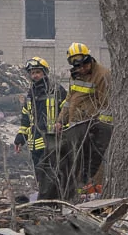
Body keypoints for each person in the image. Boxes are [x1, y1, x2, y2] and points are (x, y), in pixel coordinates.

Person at [43, 43, 113, 200]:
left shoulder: (102, 75)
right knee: (75, 162)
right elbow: (70, 100)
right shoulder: (76, 75)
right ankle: (77, 195)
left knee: (94, 163)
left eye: (84, 65)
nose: (82, 69)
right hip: (75, 127)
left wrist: (98, 129)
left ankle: (95, 197)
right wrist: (61, 120)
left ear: (89, 59)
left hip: (92, 128)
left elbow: (106, 106)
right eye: (78, 66)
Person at [11, 57, 65, 194]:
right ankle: (44, 197)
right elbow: (26, 119)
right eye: (32, 72)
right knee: (40, 176)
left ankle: (56, 199)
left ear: (44, 73)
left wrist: (64, 130)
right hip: (35, 144)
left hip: (53, 142)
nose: (34, 75)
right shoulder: (30, 94)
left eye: (37, 72)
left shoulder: (57, 90)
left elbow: (67, 112)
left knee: (54, 175)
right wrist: (20, 138)